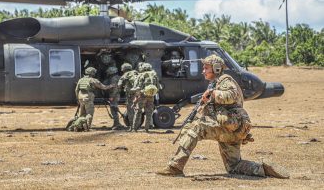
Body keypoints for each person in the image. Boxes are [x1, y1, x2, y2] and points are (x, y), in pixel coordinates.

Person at [156, 54, 289, 179]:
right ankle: (262, 169)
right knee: (234, 166)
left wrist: (213, 94)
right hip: (232, 128)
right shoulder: (215, 83)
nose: (203, 71)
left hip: (228, 126)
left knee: (196, 128)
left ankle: (175, 167)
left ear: (216, 68)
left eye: (206, 68)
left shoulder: (225, 80)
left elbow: (231, 96)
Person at [132, 63, 160, 132]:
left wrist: (136, 97)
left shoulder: (141, 75)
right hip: (151, 96)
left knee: (138, 111)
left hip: (142, 96)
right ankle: (147, 128)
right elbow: (158, 87)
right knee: (149, 113)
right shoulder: (154, 75)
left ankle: (134, 128)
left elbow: (137, 87)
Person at [117, 63, 139, 131]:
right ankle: (148, 125)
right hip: (139, 94)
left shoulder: (126, 74)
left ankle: (132, 127)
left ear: (124, 69)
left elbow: (119, 85)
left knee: (130, 110)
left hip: (131, 95)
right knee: (139, 110)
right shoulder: (136, 73)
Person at [104, 66, 124, 130]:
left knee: (114, 110)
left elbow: (115, 89)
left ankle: (117, 124)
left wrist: (111, 96)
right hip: (117, 95)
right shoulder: (118, 77)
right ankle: (116, 124)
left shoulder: (113, 78)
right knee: (114, 109)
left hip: (114, 96)